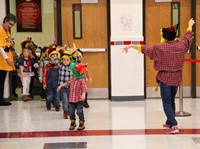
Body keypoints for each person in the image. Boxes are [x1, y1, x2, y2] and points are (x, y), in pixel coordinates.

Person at [122, 18, 195, 134]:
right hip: (176, 78)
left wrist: (131, 45)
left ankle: (174, 125)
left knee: (166, 102)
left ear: (165, 37)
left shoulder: (160, 48)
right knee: (171, 101)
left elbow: (145, 48)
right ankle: (169, 121)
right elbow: (187, 38)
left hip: (165, 78)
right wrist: (189, 25)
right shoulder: (181, 46)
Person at [57, 61, 88, 130]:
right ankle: (73, 122)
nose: (71, 73)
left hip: (79, 100)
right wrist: (61, 86)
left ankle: (81, 122)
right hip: (71, 99)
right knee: (71, 112)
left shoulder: (81, 80)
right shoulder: (72, 79)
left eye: (72, 72)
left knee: (79, 111)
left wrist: (83, 94)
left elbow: (84, 88)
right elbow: (67, 83)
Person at [0, 14, 17, 106]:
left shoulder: (7, 31)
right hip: (2, 60)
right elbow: (0, 46)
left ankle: (1, 99)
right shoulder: (0, 30)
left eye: (12, 25)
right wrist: (7, 59)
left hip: (5, 60)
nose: (10, 26)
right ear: (5, 20)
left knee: (2, 80)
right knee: (1, 80)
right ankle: (0, 100)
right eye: (9, 24)